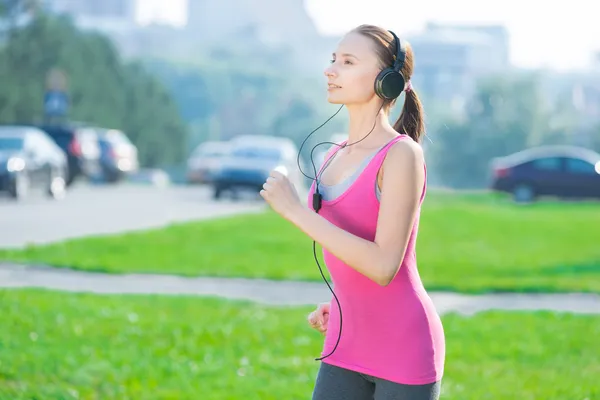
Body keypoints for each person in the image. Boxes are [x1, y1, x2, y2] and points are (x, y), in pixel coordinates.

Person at [259, 24, 445, 400]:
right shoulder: (333, 153)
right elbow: (352, 256)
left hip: (403, 348)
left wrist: (296, 211)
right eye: (332, 60)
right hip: (346, 338)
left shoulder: (401, 155)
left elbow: (383, 265)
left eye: (347, 61)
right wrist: (345, 297)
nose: (330, 70)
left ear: (386, 81)